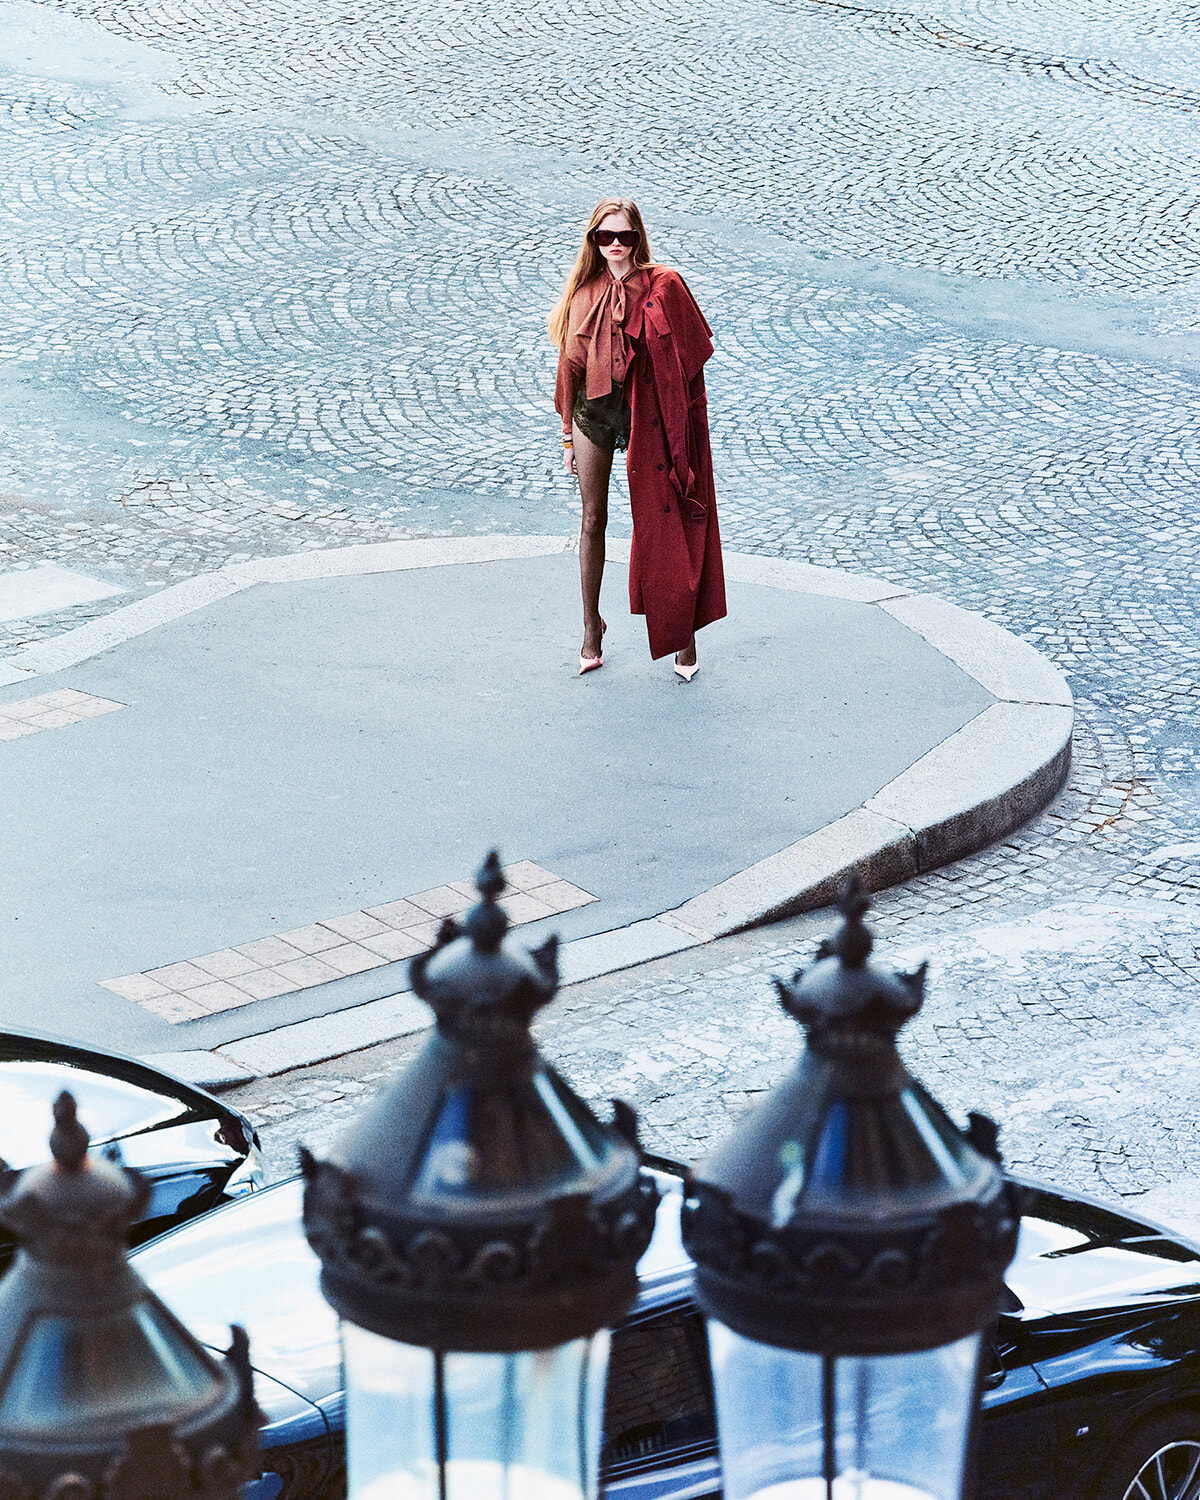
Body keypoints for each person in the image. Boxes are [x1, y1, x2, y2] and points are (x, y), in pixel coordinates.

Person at [550, 198, 726, 680]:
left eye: (624, 237)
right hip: (596, 411)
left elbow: (691, 363)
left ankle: (682, 637)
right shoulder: (583, 292)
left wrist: (687, 430)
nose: (614, 246)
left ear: (637, 238)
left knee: (662, 519)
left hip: (648, 415)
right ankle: (591, 627)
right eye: (604, 237)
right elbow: (570, 364)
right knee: (592, 517)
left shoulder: (664, 286)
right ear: (593, 241)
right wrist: (567, 435)